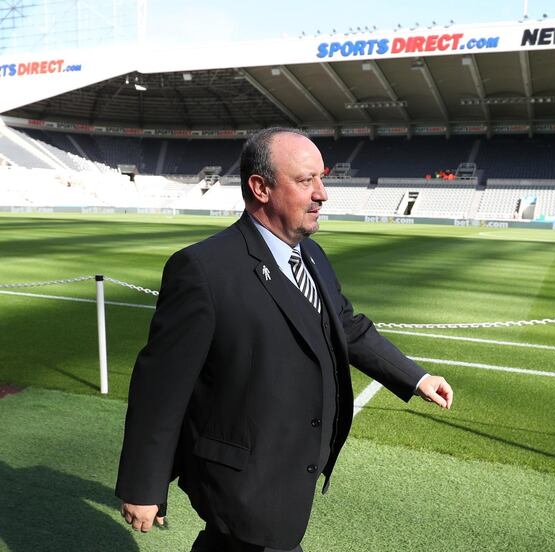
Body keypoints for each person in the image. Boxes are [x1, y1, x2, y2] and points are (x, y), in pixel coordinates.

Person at [115, 127, 453, 552]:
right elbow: (160, 388)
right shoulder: (203, 269)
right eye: (306, 180)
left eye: (322, 178)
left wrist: (415, 377)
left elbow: (345, 325)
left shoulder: (311, 255)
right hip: (244, 480)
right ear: (260, 187)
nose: (322, 194)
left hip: (291, 468)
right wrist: (144, 484)